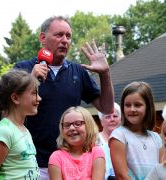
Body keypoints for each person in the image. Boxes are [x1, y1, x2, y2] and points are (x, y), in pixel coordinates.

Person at [14, 15, 114, 178]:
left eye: (68, 36)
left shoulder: (78, 72)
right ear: (42, 38)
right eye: (59, 35)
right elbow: (7, 106)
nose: (65, 40)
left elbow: (107, 108)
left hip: (69, 163)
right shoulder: (23, 68)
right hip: (32, 163)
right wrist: (30, 81)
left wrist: (105, 74)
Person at [0, 69, 41, 179]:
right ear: (15, 98)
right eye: (34, 93)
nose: (39, 98)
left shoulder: (23, 129)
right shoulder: (4, 131)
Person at [109, 82, 165, 180]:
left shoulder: (156, 138)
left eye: (137, 105)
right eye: (127, 105)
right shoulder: (119, 136)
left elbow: (162, 171)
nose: (132, 109)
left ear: (148, 107)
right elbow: (122, 175)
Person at [48, 106, 105, 180]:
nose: (71, 128)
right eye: (67, 125)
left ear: (89, 126)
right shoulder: (56, 157)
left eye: (77, 123)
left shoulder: (96, 152)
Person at [97, 102, 121, 180]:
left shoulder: (126, 141)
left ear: (120, 120)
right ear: (101, 121)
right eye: (108, 117)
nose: (112, 119)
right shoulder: (95, 141)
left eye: (115, 116)